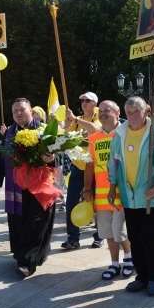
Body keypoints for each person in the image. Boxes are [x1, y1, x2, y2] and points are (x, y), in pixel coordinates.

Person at [107, 96, 154, 296]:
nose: (132, 116)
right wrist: (113, 187)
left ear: (146, 111)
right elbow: (114, 163)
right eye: (129, 112)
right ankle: (142, 277)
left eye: (136, 111)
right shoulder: (120, 133)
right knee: (135, 237)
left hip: (152, 197)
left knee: (149, 237)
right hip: (130, 197)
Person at [0, 98, 56, 277]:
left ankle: (26, 261)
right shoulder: (10, 131)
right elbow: (1, 157)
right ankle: (29, 254)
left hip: (38, 186)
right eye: (15, 111)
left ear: (30, 110)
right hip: (16, 185)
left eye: (22, 109)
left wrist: (52, 158)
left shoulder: (43, 130)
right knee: (19, 221)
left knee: (36, 222)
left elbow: (60, 154)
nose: (19, 113)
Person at [82, 100, 134, 280]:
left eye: (107, 110)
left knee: (120, 231)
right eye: (101, 111)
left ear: (118, 113)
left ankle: (129, 259)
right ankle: (114, 264)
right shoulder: (94, 138)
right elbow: (89, 166)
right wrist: (87, 188)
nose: (103, 113)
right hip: (102, 195)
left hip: (122, 193)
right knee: (108, 233)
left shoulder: (126, 133)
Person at [62, 92, 102, 249]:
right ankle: (73, 237)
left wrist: (75, 120)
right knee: (71, 200)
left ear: (95, 103)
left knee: (97, 202)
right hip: (78, 167)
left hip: (95, 167)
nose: (84, 103)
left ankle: (100, 235)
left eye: (87, 100)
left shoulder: (100, 115)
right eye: (82, 100)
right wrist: (67, 126)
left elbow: (94, 130)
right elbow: (67, 138)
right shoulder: (77, 119)